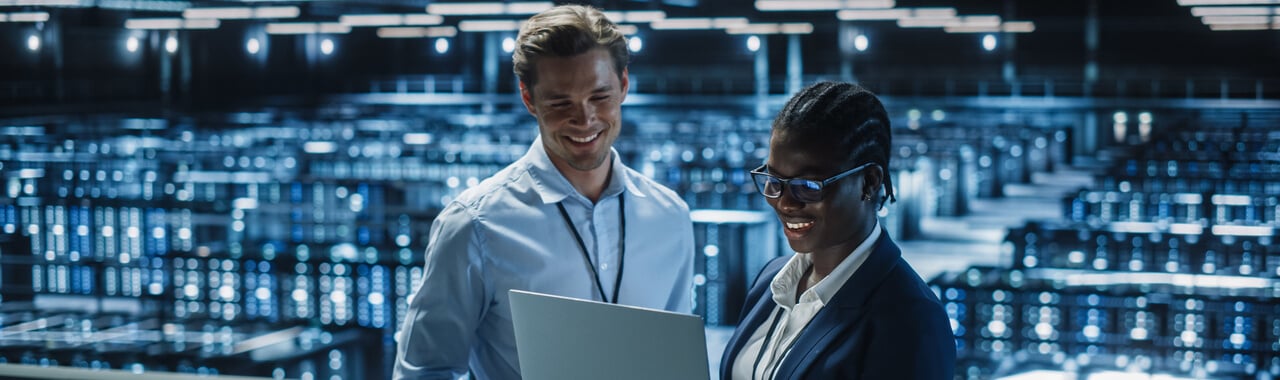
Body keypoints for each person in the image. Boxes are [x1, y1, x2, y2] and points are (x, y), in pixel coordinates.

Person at [392, 5, 695, 380]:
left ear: (624, 85)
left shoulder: (670, 216)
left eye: (600, 96)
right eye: (560, 102)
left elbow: (678, 362)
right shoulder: (475, 225)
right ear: (528, 98)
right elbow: (425, 372)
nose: (585, 120)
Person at [719, 81, 955, 380]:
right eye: (775, 182)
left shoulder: (909, 318)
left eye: (808, 186)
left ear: (868, 182)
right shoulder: (771, 281)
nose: (786, 203)